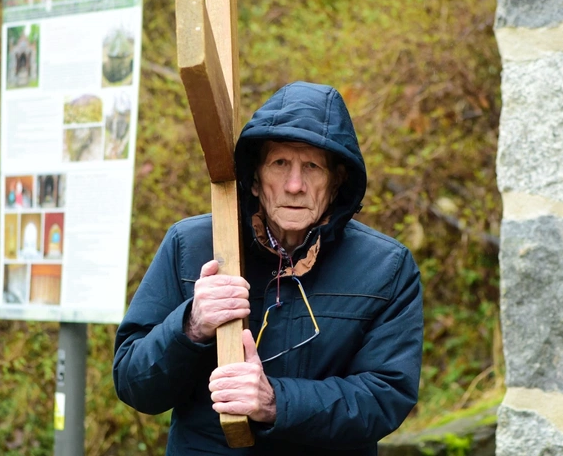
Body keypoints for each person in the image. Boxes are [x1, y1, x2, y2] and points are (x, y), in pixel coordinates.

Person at [113, 82, 423, 455]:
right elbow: (134, 385)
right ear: (256, 180)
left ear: (337, 181)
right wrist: (191, 325)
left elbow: (385, 397)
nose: (295, 185)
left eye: (311, 166)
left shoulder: (385, 266)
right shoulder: (191, 245)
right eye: (280, 164)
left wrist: (276, 401)